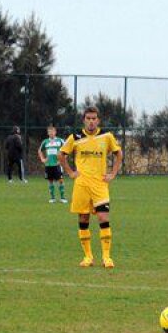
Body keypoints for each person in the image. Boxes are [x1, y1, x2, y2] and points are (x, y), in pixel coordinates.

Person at [58, 106, 123, 268]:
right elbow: (61, 154)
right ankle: (88, 257)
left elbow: (118, 153)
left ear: (98, 120)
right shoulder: (75, 137)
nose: (91, 121)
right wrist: (71, 173)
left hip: (100, 184)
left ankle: (107, 257)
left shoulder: (106, 136)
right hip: (82, 185)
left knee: (103, 218)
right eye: (88, 118)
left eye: (94, 118)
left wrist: (113, 173)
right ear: (84, 120)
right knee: (83, 219)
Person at [38, 125, 67, 203]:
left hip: (57, 164)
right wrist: (42, 159)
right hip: (48, 165)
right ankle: (52, 198)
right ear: (48, 133)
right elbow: (39, 151)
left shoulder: (60, 140)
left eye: (52, 131)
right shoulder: (45, 141)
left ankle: (62, 197)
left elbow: (67, 150)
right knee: (50, 181)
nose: (51, 133)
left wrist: (62, 159)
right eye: (49, 132)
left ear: (55, 132)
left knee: (60, 180)